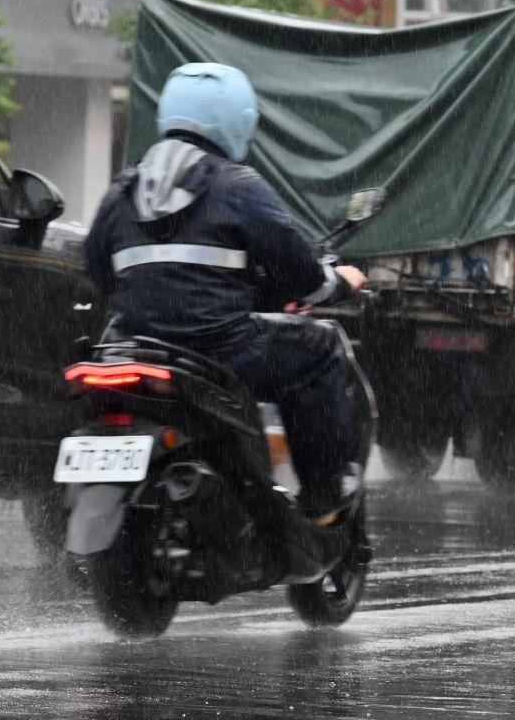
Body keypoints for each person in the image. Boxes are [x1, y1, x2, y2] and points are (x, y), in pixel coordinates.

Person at [83, 62, 369, 518]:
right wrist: (340, 283)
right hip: (222, 353)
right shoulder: (239, 187)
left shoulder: (124, 189)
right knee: (323, 347)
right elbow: (303, 274)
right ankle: (324, 500)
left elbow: (97, 270)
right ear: (236, 119)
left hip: (137, 350)